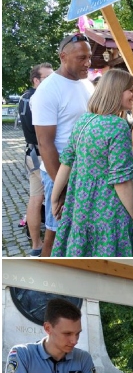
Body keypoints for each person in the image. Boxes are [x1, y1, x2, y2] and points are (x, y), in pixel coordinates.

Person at [49, 69, 133, 257]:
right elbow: (121, 182)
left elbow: (67, 162)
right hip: (109, 210)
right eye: (130, 90)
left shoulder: (84, 120)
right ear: (116, 91)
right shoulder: (117, 126)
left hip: (81, 207)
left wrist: (54, 197)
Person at [32, 34, 96, 257]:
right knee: (55, 234)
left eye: (89, 57)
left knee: (78, 234)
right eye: (81, 58)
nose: (88, 63)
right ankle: (40, 287)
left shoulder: (87, 84)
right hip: (58, 174)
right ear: (63, 57)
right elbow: (45, 143)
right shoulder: (48, 90)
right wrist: (62, 186)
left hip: (85, 173)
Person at [18, 62, 53, 255]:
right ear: (36, 80)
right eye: (47, 78)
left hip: (32, 154)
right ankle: (47, 246)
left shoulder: (25, 97)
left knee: (35, 198)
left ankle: (36, 245)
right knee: (52, 199)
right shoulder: (38, 98)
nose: (52, 82)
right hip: (41, 155)